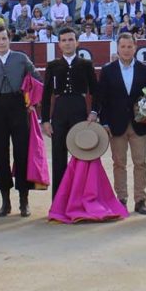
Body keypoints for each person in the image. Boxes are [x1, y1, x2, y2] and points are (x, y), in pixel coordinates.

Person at [0, 23, 40, 217]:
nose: (2, 42)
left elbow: (37, 81)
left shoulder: (21, 59)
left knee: (22, 153)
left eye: (4, 38)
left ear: (9, 39)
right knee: (1, 155)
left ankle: (24, 202)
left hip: (18, 106)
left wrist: (32, 102)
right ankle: (6, 202)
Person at [94, 32, 146, 214]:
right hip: (115, 123)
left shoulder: (144, 69)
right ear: (117, 48)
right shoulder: (108, 70)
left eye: (130, 46)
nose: (126, 50)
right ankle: (121, 198)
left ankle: (140, 199)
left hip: (138, 123)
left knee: (140, 162)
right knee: (119, 163)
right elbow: (101, 99)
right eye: (123, 47)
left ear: (135, 47)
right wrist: (104, 122)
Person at [41, 26, 96, 196]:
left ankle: (81, 196)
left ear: (77, 42)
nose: (67, 43)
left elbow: (95, 90)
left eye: (71, 39)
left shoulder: (86, 64)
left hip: (79, 109)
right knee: (58, 154)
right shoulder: (53, 65)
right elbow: (46, 94)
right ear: (59, 44)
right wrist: (45, 120)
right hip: (59, 110)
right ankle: (59, 198)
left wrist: (94, 111)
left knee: (81, 152)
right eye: (64, 40)